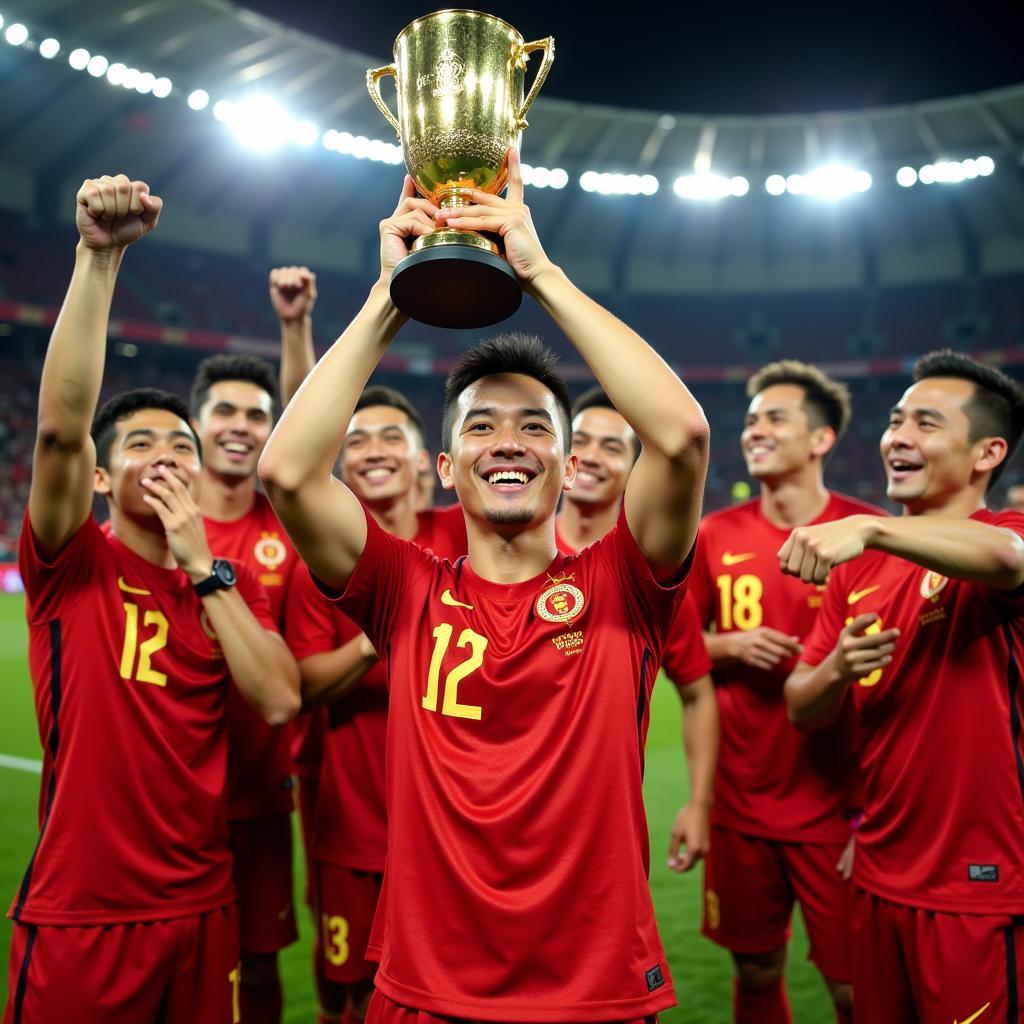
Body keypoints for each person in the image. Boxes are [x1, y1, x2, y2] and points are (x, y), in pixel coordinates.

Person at [258, 150, 710, 1022]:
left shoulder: (625, 579)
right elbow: (288, 472)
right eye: (482, 427)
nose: (508, 442)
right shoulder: (403, 588)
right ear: (447, 465)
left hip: (596, 990)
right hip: (425, 988)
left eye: (534, 426)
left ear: (570, 465)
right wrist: (393, 296)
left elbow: (683, 438)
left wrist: (538, 274)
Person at [3, 174, 300, 1024]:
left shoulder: (223, 586)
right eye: (140, 443)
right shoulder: (71, 565)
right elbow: (61, 427)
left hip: (207, 905)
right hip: (85, 910)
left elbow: (279, 698)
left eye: (182, 443)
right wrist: (99, 261)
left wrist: (206, 568)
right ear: (101, 476)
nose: (167, 454)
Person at [784, 349, 1024, 1023]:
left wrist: (868, 524)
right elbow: (802, 706)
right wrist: (838, 669)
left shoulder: (1003, 536)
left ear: (986, 453)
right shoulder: (860, 572)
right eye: (894, 421)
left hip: (978, 887)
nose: (897, 438)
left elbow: (1008, 562)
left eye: (926, 423)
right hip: (881, 874)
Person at [688, 360, 884, 1024]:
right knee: (755, 965)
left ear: (822, 440)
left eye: (775, 418)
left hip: (839, 808)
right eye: (749, 421)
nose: (755, 431)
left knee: (855, 987)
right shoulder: (717, 533)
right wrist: (729, 645)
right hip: (742, 803)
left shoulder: (870, 533)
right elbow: (670, 647)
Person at [286, 385, 467, 1024]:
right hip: (356, 823)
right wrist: (382, 632)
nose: (373, 451)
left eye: (391, 436)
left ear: (427, 460)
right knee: (356, 998)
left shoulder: (470, 536)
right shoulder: (320, 563)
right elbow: (299, 687)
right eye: (356, 440)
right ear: (340, 465)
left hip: (461, 829)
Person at [189, 343, 311, 1024]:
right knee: (181, 959)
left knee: (258, 963)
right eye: (225, 411)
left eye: (258, 415)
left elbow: (308, 444)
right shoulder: (153, 526)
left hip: (262, 790)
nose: (241, 425)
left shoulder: (284, 532)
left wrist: (295, 329)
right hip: (173, 799)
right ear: (196, 423)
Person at [555, 386, 719, 875]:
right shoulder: (498, 547)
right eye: (581, 440)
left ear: (634, 469)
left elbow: (697, 693)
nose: (593, 457)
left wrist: (700, 804)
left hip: (603, 832)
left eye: (613, 447)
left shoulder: (651, 579)